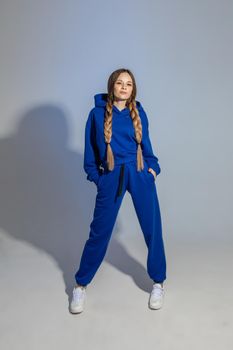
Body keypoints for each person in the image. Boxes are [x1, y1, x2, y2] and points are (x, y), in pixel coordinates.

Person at [70, 68, 167, 314]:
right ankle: (80, 285)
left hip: (139, 172)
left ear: (133, 90)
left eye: (129, 84)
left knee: (152, 229)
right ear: (112, 86)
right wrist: (99, 179)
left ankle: (158, 282)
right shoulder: (96, 115)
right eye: (120, 83)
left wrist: (152, 171)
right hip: (111, 176)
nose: (124, 87)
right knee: (99, 233)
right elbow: (90, 157)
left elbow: (148, 150)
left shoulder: (139, 113)